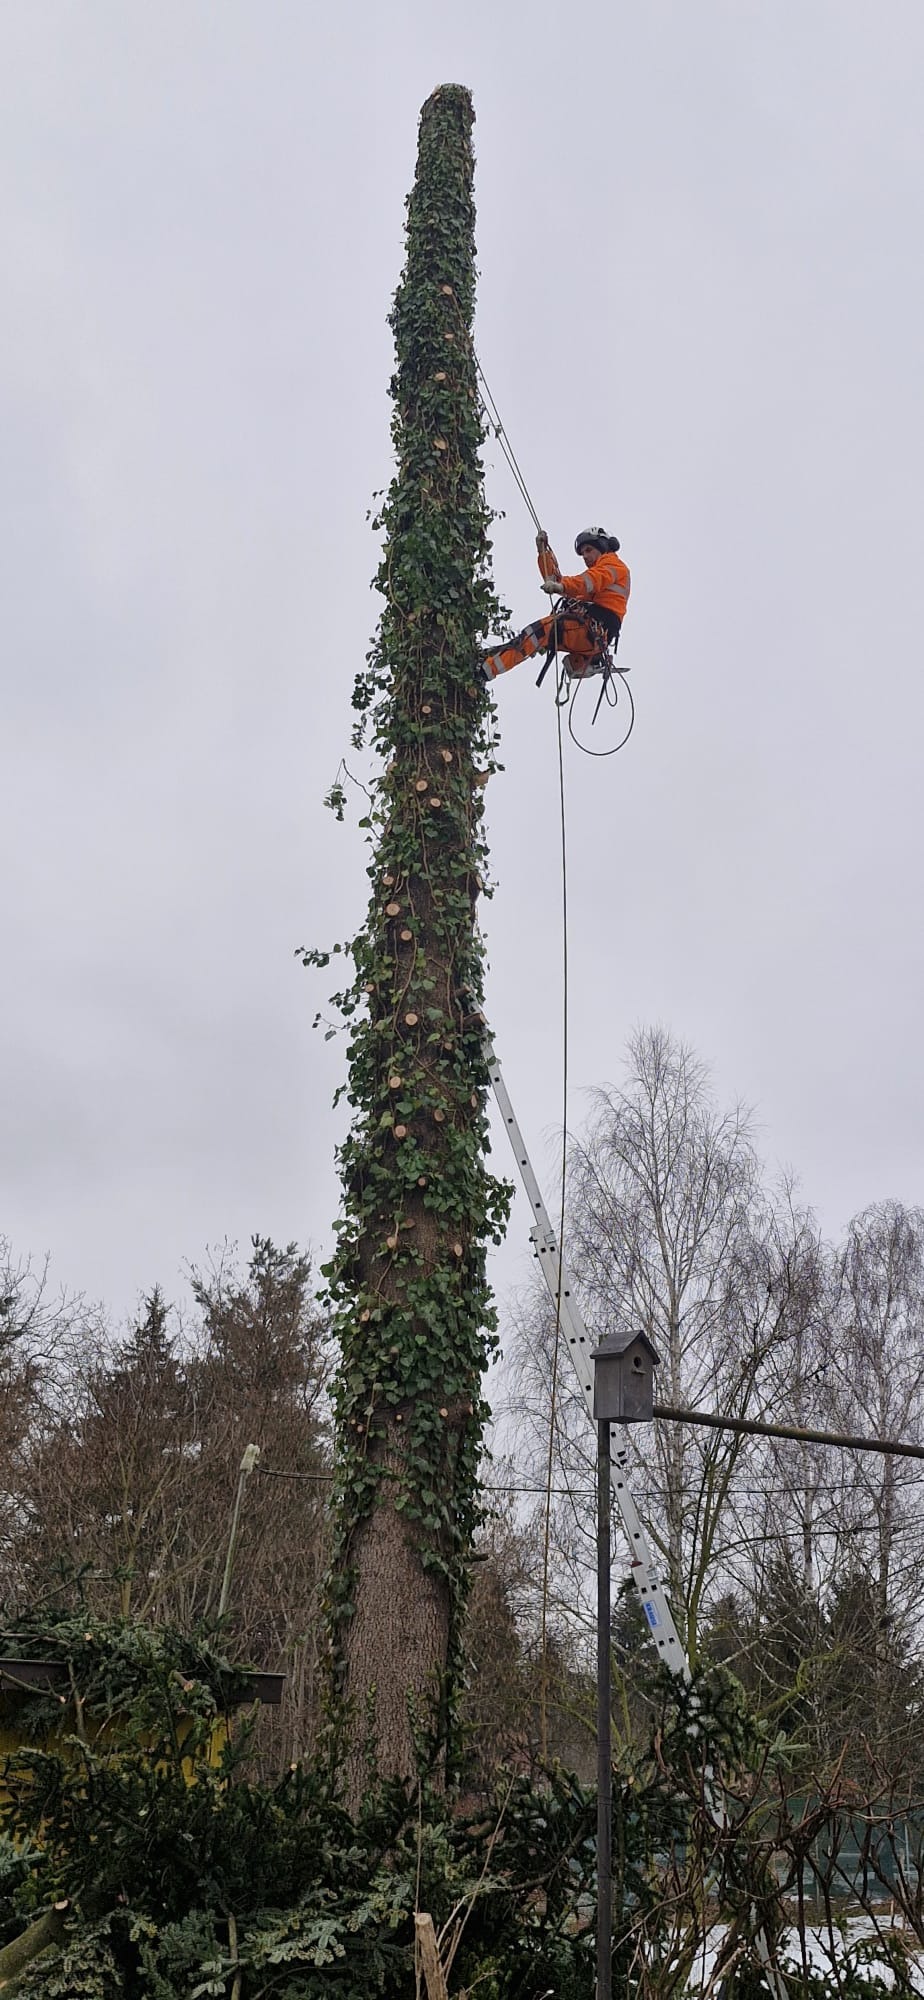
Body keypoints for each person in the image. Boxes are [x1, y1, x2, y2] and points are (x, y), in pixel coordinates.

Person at [481, 528, 630, 681]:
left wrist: (562, 587)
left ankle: (486, 670)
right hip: (592, 634)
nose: (585, 556)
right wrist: (543, 553)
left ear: (603, 546)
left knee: (538, 632)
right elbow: (558, 582)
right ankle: (487, 661)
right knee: (536, 636)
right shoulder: (600, 581)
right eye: (582, 554)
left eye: (588, 550)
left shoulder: (613, 565)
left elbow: (588, 581)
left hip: (594, 630)